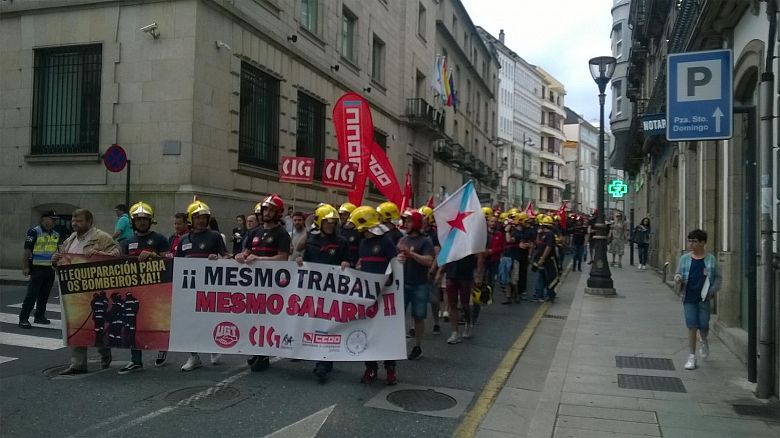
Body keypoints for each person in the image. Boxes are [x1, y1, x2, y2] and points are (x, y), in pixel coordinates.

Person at [54, 208, 120, 375]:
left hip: (95, 290)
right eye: (73, 220)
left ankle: (105, 354)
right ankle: (78, 364)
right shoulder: (70, 239)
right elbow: (62, 260)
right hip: (74, 292)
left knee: (98, 326)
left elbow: (117, 255)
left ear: (90, 221)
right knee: (77, 326)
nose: (75, 224)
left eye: (79, 221)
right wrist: (55, 261)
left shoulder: (101, 237)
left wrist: (100, 254)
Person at [235, 194, 291, 372]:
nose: (267, 213)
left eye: (271, 210)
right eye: (265, 209)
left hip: (272, 285)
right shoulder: (255, 232)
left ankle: (264, 354)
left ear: (278, 213)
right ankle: (256, 350)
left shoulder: (282, 234)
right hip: (254, 283)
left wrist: (259, 259)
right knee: (253, 317)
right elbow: (247, 251)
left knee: (268, 319)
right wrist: (240, 256)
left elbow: (283, 258)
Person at [296, 204, 349, 383]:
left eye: (333, 222)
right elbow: (302, 254)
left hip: (332, 292)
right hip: (314, 291)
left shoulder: (341, 242)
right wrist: (301, 261)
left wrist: (346, 264)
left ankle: (323, 362)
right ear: (319, 222)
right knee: (314, 324)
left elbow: (348, 260)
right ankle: (321, 357)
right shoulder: (311, 240)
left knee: (328, 326)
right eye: (326, 222)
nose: (330, 225)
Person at [177, 200, 231, 371]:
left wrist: (218, 259)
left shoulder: (215, 236)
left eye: (203, 217)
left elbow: (227, 256)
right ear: (190, 219)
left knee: (209, 319)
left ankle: (214, 346)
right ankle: (193, 356)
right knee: (190, 322)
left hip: (209, 287)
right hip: (189, 288)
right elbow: (177, 263)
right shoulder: (183, 239)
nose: (201, 221)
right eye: (197, 217)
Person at [117, 201, 169, 374]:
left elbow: (170, 262)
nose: (141, 222)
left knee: (158, 323)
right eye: (138, 219)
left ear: (150, 221)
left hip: (157, 290)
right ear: (133, 221)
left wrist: (154, 256)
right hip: (135, 290)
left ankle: (163, 347)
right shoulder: (128, 242)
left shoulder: (160, 239)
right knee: (133, 324)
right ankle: (136, 360)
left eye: (145, 219)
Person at [349, 206, 399, 385]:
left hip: (385, 295)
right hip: (367, 295)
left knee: (386, 333)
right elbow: (362, 264)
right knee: (367, 331)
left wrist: (390, 282)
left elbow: (395, 265)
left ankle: (390, 369)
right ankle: (370, 367)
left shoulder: (385, 242)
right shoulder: (363, 243)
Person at [674, 229, 720, 371]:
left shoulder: (711, 259)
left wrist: (712, 290)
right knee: (692, 326)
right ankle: (692, 356)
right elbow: (678, 273)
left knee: (704, 325)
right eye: (689, 241)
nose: (691, 244)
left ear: (702, 242)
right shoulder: (684, 259)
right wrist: (678, 278)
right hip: (688, 296)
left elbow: (718, 278)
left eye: (694, 241)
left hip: (704, 298)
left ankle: (704, 340)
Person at [398, 209, 434, 360]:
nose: (406, 224)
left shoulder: (425, 241)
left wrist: (411, 254)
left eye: (409, 221)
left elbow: (429, 261)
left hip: (420, 284)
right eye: (405, 221)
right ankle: (396, 345)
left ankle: (417, 346)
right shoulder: (403, 240)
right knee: (398, 315)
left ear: (416, 223)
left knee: (418, 316)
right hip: (403, 283)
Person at [156, 212, 188, 367]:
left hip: (187, 282)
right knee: (166, 316)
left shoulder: (189, 238)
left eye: (179, 224)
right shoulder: (171, 238)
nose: (176, 226)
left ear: (186, 223)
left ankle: (202, 350)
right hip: (171, 280)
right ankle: (163, 348)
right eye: (175, 224)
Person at [18, 210, 60, 329]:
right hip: (37, 268)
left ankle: (39, 316)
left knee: (44, 295)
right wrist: (25, 266)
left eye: (55, 220)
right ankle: (23, 318)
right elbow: (27, 250)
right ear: (43, 219)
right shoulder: (34, 232)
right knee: (32, 295)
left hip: (50, 269)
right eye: (52, 219)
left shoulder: (56, 234)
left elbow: (57, 251)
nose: (54, 222)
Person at [531, 215, 560, 303]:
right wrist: (538, 234)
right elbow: (537, 243)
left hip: (548, 260)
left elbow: (548, 247)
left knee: (549, 278)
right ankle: (540, 295)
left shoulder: (550, 234)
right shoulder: (541, 233)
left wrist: (542, 259)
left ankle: (549, 295)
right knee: (541, 277)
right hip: (540, 260)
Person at [338, 202, 362, 268]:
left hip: (353, 266)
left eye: (344, 215)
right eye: (340, 214)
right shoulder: (338, 230)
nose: (342, 217)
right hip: (338, 265)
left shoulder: (359, 232)